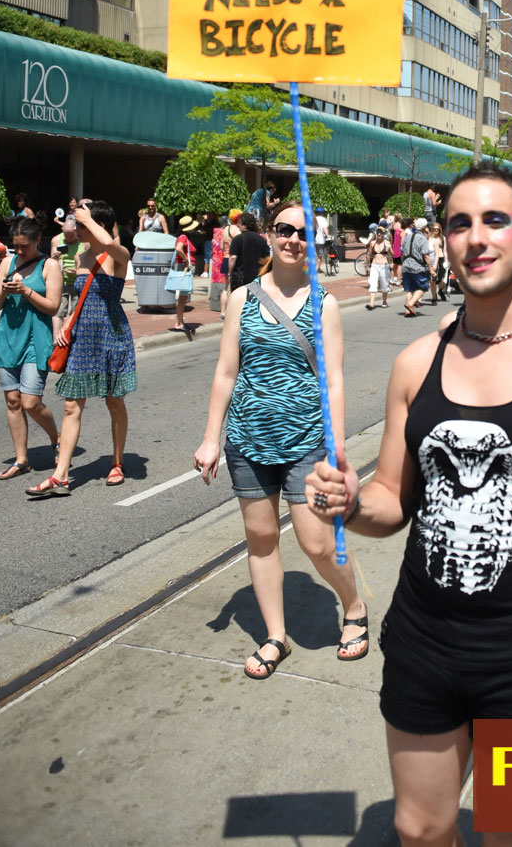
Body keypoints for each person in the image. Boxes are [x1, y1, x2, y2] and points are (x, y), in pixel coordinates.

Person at [307, 165, 512, 847]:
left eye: (494, 220)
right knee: (419, 828)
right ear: (443, 240)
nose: (476, 238)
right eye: (459, 223)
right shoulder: (416, 362)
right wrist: (351, 501)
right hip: (426, 638)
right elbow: (393, 498)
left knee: (510, 830)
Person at [193, 201, 368, 678]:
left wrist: (338, 445)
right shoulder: (242, 298)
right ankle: (276, 636)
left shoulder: (324, 303)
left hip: (307, 439)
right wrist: (211, 438)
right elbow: (227, 372)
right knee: (262, 537)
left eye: (302, 233)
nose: (292, 239)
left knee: (314, 541)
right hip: (248, 439)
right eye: (284, 229)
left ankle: (353, 606)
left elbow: (333, 380)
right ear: (269, 234)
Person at [27, 201, 136, 496]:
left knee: (114, 401)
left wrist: (91, 218)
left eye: (82, 223)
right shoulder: (80, 258)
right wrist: (67, 324)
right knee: (72, 404)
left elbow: (110, 244)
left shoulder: (118, 254)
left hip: (111, 335)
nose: (76, 227)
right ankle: (60, 476)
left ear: (96, 224)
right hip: (83, 336)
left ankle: (117, 461)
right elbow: (80, 298)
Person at [0, 213, 62, 480]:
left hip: (36, 338)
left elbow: (53, 306)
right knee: (13, 401)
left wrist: (27, 292)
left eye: (25, 245)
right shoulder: (7, 263)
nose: (20, 250)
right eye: (16, 246)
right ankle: (22, 459)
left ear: (38, 240)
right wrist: (4, 290)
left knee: (31, 402)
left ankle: (57, 438)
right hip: (8, 337)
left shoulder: (49, 266)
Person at [169, 215, 198, 334]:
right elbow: (178, 248)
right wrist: (186, 259)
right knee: (182, 298)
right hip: (183, 269)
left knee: (182, 297)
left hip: (183, 268)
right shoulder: (183, 237)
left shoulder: (183, 237)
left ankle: (180, 322)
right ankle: (179, 323)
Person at [401, 217, 433, 318]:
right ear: (424, 227)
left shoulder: (408, 236)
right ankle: (410, 304)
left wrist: (403, 264)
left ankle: (408, 311)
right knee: (423, 286)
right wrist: (431, 268)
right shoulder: (422, 238)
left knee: (409, 288)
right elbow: (426, 255)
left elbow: (402, 251)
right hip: (417, 266)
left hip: (406, 266)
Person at [229, 212, 269, 292]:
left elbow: (233, 258)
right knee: (254, 302)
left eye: (239, 223)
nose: (238, 225)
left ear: (244, 225)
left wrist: (230, 273)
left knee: (239, 302)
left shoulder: (238, 239)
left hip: (241, 280)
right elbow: (267, 259)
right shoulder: (262, 240)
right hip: (257, 280)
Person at [365, 224, 391, 310]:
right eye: (378, 232)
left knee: (384, 284)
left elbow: (393, 255)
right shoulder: (372, 243)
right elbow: (369, 255)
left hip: (384, 265)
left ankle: (384, 301)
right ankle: (371, 304)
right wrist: (367, 266)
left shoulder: (387, 243)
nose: (379, 234)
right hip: (374, 265)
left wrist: (389, 250)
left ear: (384, 234)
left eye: (381, 232)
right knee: (372, 283)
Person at [390, 213, 403, 286]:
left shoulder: (392, 225)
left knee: (394, 266)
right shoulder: (399, 226)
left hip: (393, 245)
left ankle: (391, 280)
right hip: (398, 246)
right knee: (399, 266)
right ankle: (398, 281)